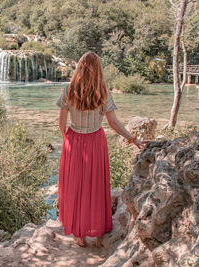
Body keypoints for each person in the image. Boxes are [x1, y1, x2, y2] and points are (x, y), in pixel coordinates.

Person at [56, 52, 144, 247]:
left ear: (79, 68)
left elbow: (61, 123)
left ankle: (79, 235)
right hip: (95, 142)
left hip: (74, 141)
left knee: (75, 187)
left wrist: (67, 141)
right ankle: (96, 231)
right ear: (98, 71)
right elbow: (113, 122)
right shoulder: (102, 92)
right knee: (95, 186)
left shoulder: (69, 90)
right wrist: (132, 138)